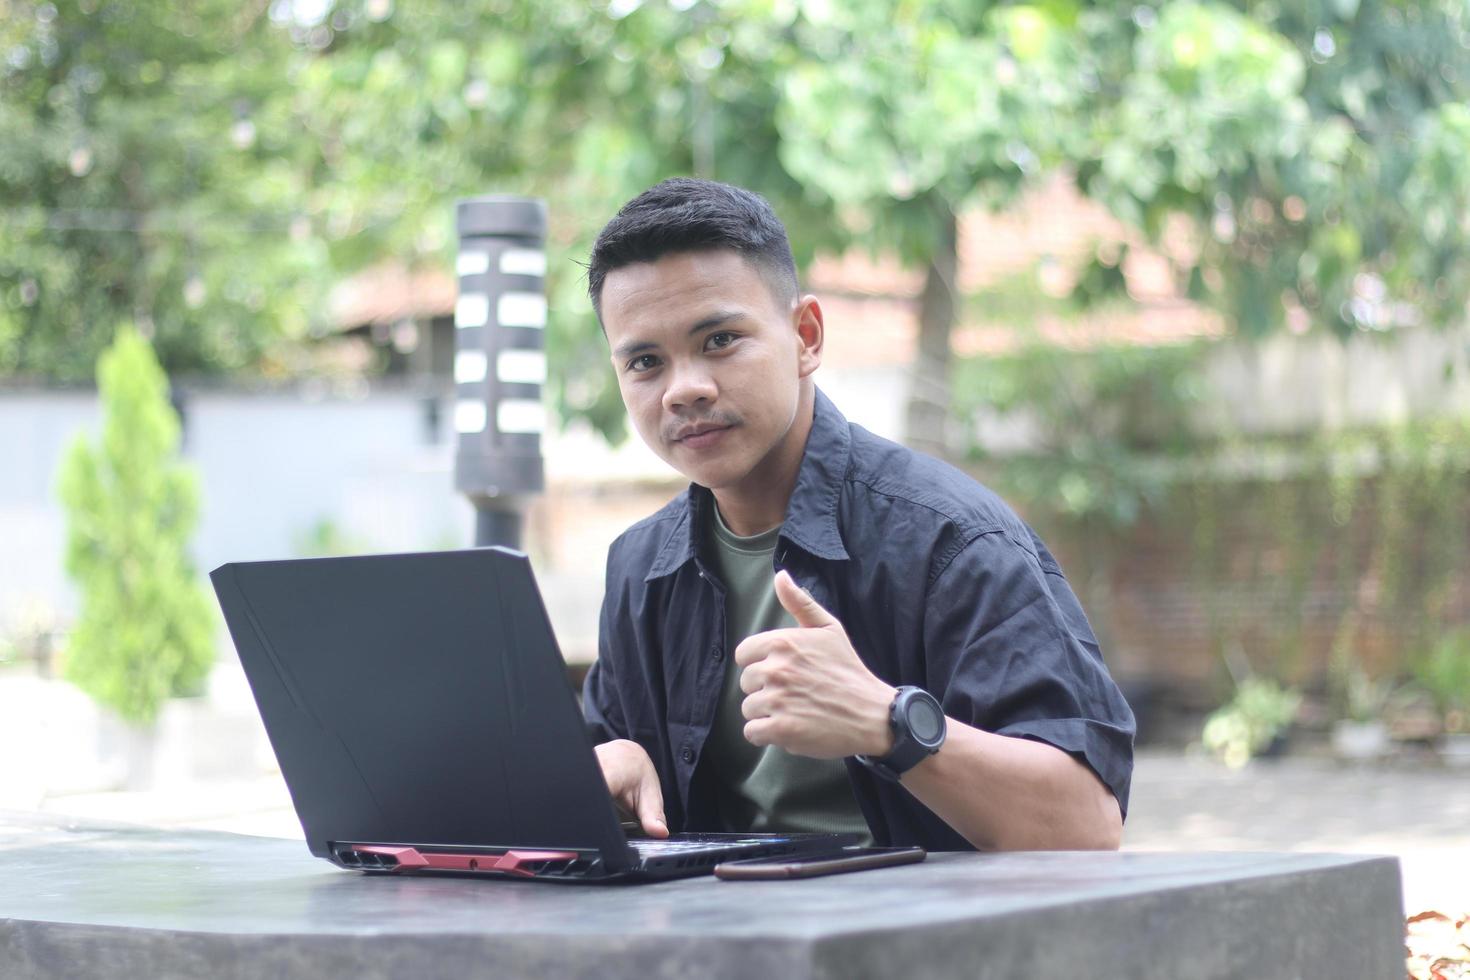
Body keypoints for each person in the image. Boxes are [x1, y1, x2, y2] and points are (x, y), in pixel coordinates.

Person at [581, 177, 1134, 851]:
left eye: (720, 340)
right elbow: (593, 777)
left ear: (806, 336)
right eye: (645, 361)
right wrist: (607, 772)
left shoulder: (949, 539)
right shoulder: (640, 568)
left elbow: (1087, 825)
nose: (685, 388)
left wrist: (887, 722)